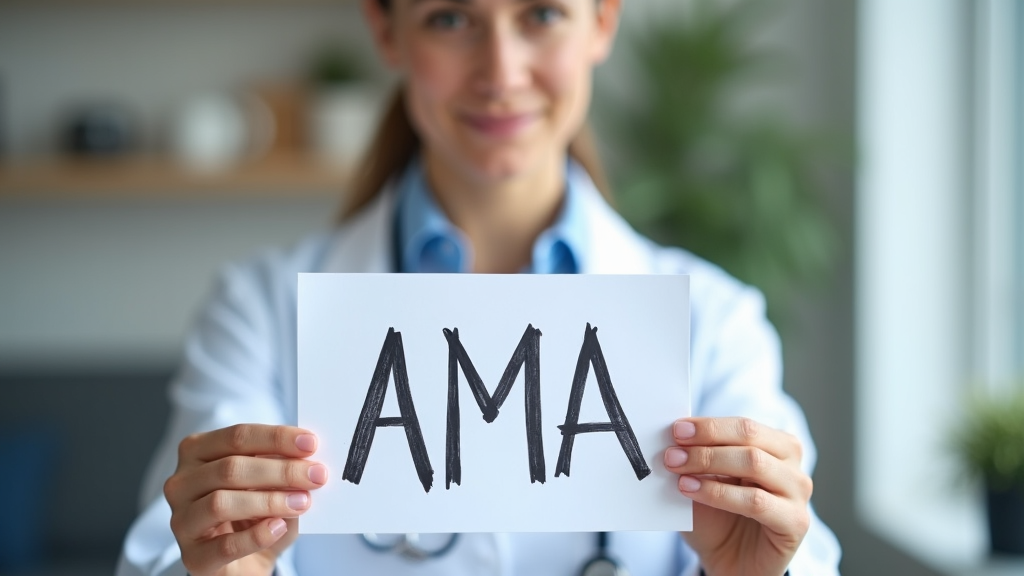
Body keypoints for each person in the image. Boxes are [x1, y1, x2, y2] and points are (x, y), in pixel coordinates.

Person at [117, 0, 842, 574]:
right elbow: (163, 555)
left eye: (543, 14)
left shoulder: (715, 322)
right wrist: (217, 571)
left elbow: (799, 556)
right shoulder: (260, 311)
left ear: (603, 22)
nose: (500, 70)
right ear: (386, 30)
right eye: (451, 18)